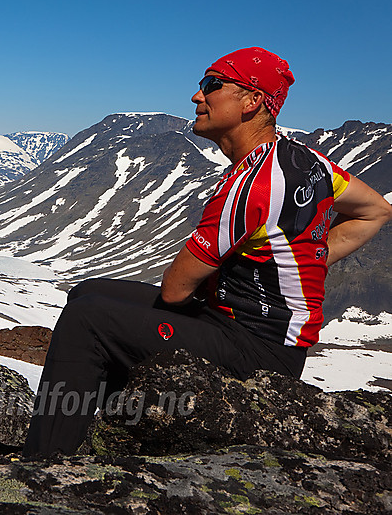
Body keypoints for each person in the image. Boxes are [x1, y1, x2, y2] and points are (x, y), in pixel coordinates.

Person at [23, 47, 392, 458]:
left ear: (253, 101)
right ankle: (106, 432)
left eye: (212, 85)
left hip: (254, 350)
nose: (197, 96)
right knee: (87, 290)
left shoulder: (251, 184)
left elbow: (177, 289)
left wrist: (301, 261)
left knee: (87, 319)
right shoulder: (308, 161)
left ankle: (45, 464)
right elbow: (376, 210)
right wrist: (304, 260)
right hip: (256, 335)